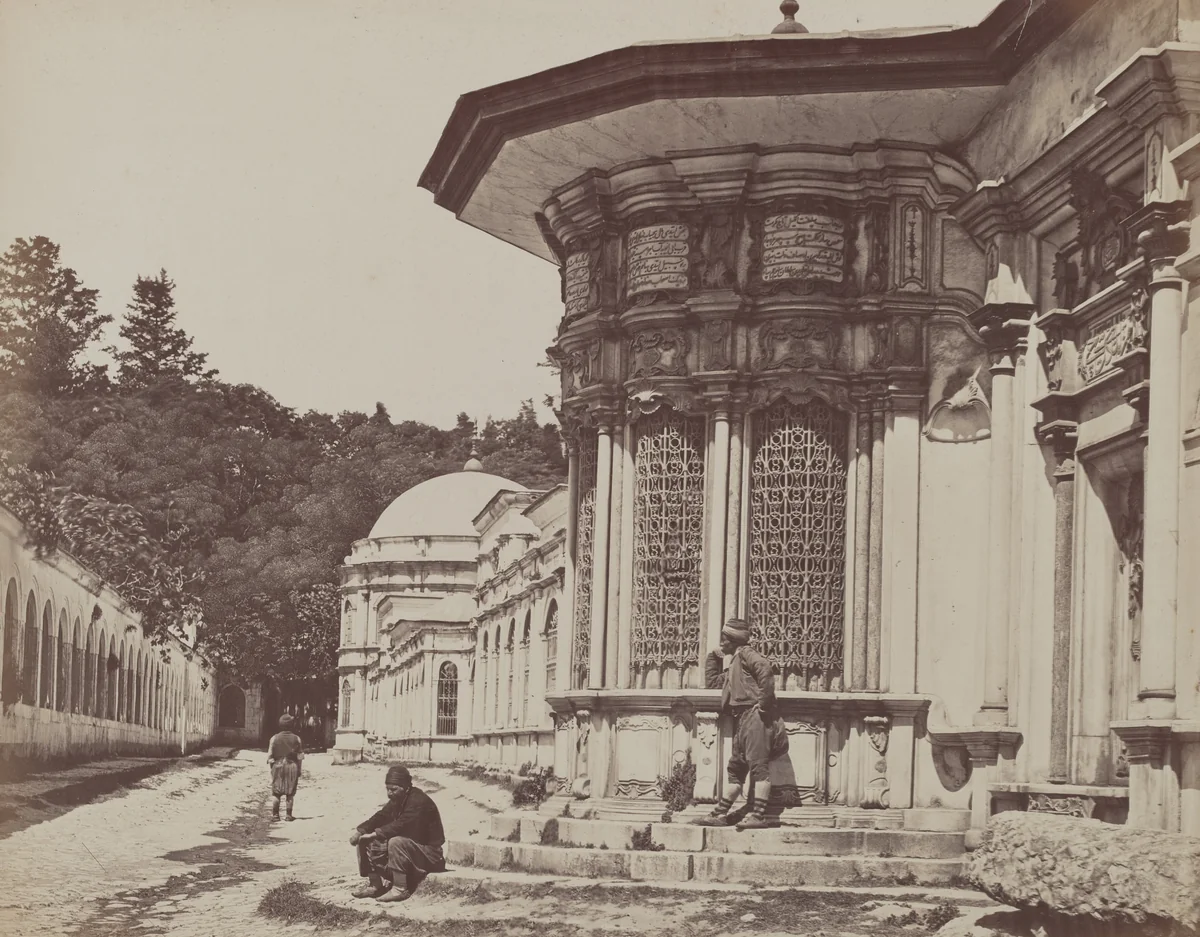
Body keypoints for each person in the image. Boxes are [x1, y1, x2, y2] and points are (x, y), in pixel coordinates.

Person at [693, 618, 789, 830]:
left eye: (724, 639)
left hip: (756, 718)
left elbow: (765, 671)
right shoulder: (735, 661)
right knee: (736, 768)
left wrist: (763, 706)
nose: (721, 643)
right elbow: (714, 683)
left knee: (758, 767)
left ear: (733, 639)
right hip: (741, 719)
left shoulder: (747, 654)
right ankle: (719, 814)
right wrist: (713, 658)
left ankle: (758, 816)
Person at [349, 764, 446, 903]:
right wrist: (361, 831)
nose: (389, 793)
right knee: (364, 841)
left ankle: (400, 889)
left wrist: (375, 834)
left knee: (396, 841)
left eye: (393, 789)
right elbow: (381, 816)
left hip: (431, 855)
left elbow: (401, 825)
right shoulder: (399, 799)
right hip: (412, 852)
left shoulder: (419, 801)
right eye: (387, 789)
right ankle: (375, 885)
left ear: (405, 787)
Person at [266, 713, 304, 821]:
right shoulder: (297, 738)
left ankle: (275, 815)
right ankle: (288, 815)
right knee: (290, 792)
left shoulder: (274, 738)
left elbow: (270, 756)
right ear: (291, 725)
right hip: (292, 766)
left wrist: (272, 769)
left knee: (276, 792)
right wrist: (299, 770)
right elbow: (300, 757)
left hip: (277, 765)